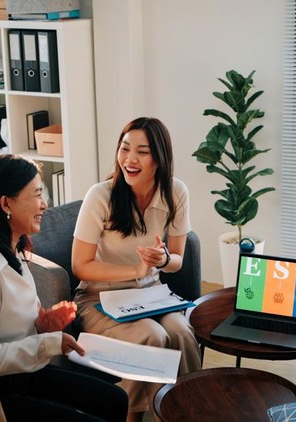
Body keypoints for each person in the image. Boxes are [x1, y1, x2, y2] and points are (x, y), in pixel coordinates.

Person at [0, 154, 128, 421]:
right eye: (36, 195)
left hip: (12, 373)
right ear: (6, 203)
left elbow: (7, 323)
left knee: (115, 400)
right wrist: (46, 344)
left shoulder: (9, 248)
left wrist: (42, 322)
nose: (45, 204)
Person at [71, 117, 201, 422]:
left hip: (151, 297)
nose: (130, 159)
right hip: (97, 300)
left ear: (159, 158)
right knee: (152, 336)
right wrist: (137, 269)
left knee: (181, 330)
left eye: (142, 152)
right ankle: (131, 415)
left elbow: (178, 259)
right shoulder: (100, 196)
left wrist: (162, 259)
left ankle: (189, 409)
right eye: (124, 148)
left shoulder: (176, 192)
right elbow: (80, 266)